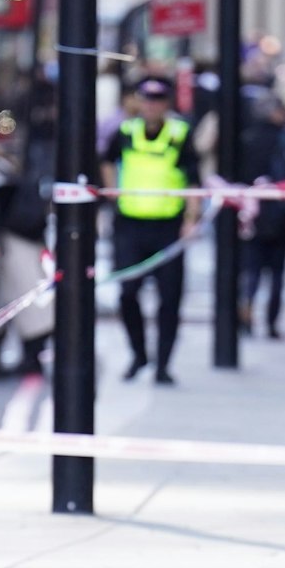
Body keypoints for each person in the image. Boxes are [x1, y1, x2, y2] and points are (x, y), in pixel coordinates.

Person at [99, 76, 201, 384]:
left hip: (168, 227)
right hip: (130, 225)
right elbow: (106, 160)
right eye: (147, 100)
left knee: (170, 299)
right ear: (139, 102)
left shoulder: (180, 134)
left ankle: (163, 365)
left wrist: (191, 220)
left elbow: (193, 178)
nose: (152, 106)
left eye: (158, 101)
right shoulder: (126, 132)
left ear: (166, 104)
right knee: (127, 293)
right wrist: (112, 194)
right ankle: (139, 353)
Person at [0, 81, 55, 376]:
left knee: (25, 294)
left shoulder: (31, 146)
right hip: (23, 231)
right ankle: (29, 350)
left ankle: (32, 352)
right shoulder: (30, 140)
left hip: (21, 232)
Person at [236, 93, 285, 339]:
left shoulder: (246, 140)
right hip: (280, 215)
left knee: (251, 271)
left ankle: (247, 313)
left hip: (252, 216)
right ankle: (271, 322)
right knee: (276, 274)